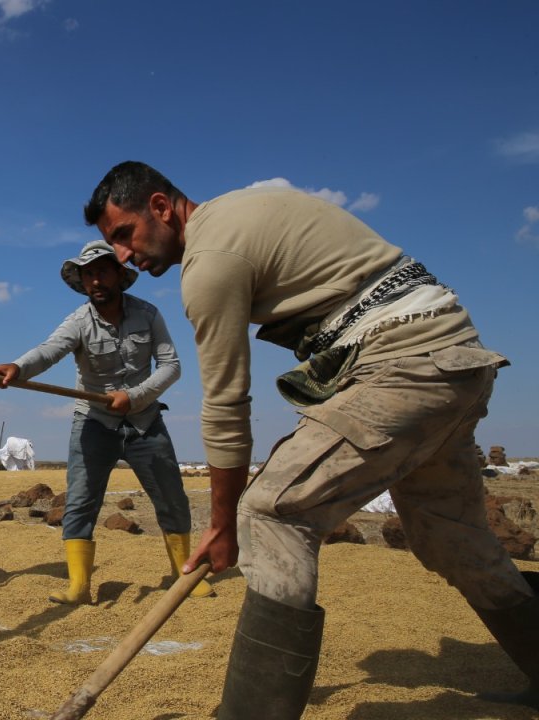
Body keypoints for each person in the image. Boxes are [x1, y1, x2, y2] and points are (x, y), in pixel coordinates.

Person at [84, 160, 537, 717]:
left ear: (160, 206)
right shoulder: (244, 210)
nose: (124, 256)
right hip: (455, 360)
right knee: (452, 539)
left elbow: (226, 403)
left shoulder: (209, 260)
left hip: (405, 366)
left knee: (272, 512)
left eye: (124, 235)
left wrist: (225, 526)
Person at [0, 240, 213, 605]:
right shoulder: (78, 321)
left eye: (102, 271)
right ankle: (79, 586)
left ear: (120, 275)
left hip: (144, 421)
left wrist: (135, 396)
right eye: (88, 274)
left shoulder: (149, 314)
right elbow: (50, 350)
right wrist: (18, 367)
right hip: (92, 423)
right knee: (80, 503)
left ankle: (182, 574)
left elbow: (171, 366)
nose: (95, 280)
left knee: (172, 498)